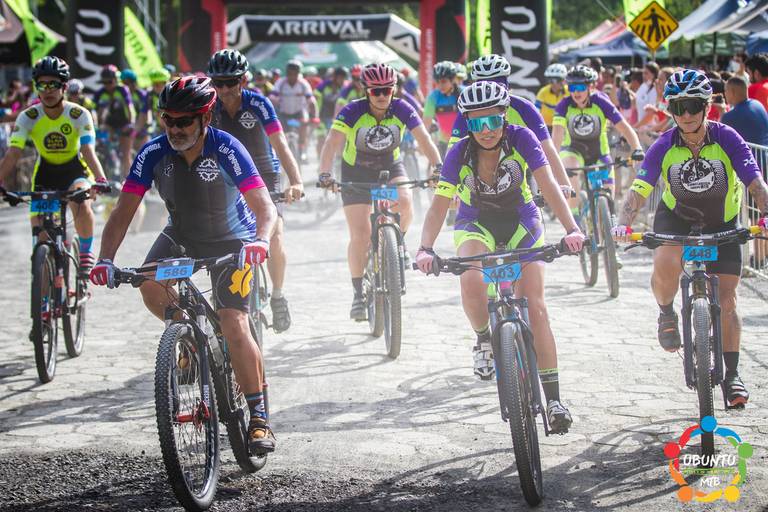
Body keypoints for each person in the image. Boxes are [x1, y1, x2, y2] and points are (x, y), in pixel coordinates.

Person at [89, 76, 279, 452]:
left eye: (184, 121)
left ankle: (259, 418)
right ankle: (189, 337)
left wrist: (260, 241)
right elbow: (123, 211)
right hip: (182, 236)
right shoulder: (153, 152)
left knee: (233, 322)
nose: (174, 129)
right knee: (148, 284)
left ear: (205, 118)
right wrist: (105, 259)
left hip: (234, 241)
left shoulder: (227, 148)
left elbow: (265, 207)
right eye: (168, 120)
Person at [414, 81, 585, 433]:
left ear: (504, 116)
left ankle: (554, 400)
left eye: (493, 120)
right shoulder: (459, 152)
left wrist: (571, 228)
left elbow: (548, 185)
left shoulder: (522, 138)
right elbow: (440, 204)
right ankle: (483, 338)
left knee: (535, 306)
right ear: (467, 123)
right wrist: (425, 247)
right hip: (476, 222)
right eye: (477, 122)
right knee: (471, 279)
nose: (486, 130)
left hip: (522, 219)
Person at [613, 69, 768, 408]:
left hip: (722, 221)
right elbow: (639, 189)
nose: (685, 115)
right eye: (677, 107)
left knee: (727, 300)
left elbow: (756, 183)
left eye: (693, 106)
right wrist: (623, 223)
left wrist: (766, 214)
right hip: (678, 218)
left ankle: (732, 375)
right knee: (665, 260)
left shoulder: (727, 138)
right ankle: (666, 312)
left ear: (707, 106)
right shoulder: (664, 144)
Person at [317, 63, 442, 320]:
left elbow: (424, 139)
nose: (382, 95)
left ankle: (398, 244)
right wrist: (325, 174)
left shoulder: (403, 108)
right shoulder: (352, 110)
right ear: (366, 91)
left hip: (389, 166)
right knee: (360, 234)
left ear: (394, 89)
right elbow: (332, 142)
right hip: (356, 171)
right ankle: (358, 293)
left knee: (404, 200)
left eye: (387, 90)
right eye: (376, 91)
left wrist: (438, 167)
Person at [207, 49, 304, 333]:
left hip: (263, 174)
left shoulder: (259, 104)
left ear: (243, 80)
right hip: (226, 177)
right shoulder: (209, 106)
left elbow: (280, 143)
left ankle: (278, 296)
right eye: (218, 83)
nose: (224, 89)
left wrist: (296, 181)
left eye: (230, 82)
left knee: (274, 235)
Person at [0, 57, 109, 275]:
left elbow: (87, 150)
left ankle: (85, 252)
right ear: (36, 87)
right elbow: (13, 154)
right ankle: (45, 282)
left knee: (80, 201)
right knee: (41, 238)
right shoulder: (28, 117)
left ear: (64, 87)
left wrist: (100, 179)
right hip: (45, 174)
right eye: (42, 85)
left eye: (53, 84)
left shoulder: (79, 114)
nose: (48, 90)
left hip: (75, 170)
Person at [452, 55, 573, 197]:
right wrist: (452, 191)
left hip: (519, 176)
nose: (492, 90)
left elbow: (548, 148)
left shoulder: (525, 108)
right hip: (479, 178)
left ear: (507, 84)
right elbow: (452, 151)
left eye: (498, 84)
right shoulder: (467, 112)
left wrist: (565, 184)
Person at [552, 65, 645, 210]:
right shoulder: (563, 105)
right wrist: (554, 160)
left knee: (609, 195)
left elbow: (624, 127)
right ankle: (574, 217)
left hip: (599, 153)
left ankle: (608, 217)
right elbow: (557, 134)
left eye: (580, 87)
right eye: (572, 87)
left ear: (591, 87)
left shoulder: (601, 101)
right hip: (572, 151)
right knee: (572, 175)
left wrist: (637, 148)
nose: (576, 92)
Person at [270, 59, 318, 163]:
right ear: (286, 73)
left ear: (298, 74)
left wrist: (315, 117)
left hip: (299, 113)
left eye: (294, 74)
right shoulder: (281, 82)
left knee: (304, 126)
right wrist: (274, 100)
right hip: (283, 113)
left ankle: (301, 150)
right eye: (289, 74)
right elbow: (272, 96)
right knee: (278, 134)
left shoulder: (303, 84)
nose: (292, 76)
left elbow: (312, 101)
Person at [94, 64, 135, 177]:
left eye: (110, 82)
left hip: (124, 123)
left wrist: (131, 123)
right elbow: (96, 112)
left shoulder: (123, 90)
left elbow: (129, 108)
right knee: (104, 146)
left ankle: (127, 178)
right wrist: (97, 125)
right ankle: (110, 171)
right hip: (109, 124)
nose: (107, 85)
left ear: (116, 80)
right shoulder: (100, 93)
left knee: (126, 153)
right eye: (104, 82)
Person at [423, 61, 460, 158]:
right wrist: (423, 143)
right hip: (444, 143)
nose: (440, 85)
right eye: (437, 82)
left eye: (443, 81)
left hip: (463, 140)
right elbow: (426, 122)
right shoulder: (433, 97)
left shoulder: (463, 93)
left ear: (452, 79)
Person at [722, 75, 768, 146]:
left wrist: (721, 112)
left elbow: (720, 137)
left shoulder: (730, 116)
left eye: (725, 91)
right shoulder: (758, 104)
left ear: (732, 92)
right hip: (764, 151)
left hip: (751, 152)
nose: (724, 94)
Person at [120, 69, 151, 148]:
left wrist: (137, 126)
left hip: (141, 126)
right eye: (123, 83)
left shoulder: (142, 94)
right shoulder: (121, 94)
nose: (125, 86)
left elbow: (146, 113)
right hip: (129, 125)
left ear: (133, 82)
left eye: (127, 83)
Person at [536, 63, 569, 131]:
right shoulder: (543, 91)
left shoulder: (569, 91)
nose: (554, 83)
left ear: (564, 80)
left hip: (563, 125)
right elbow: (536, 110)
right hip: (545, 126)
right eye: (550, 80)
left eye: (557, 80)